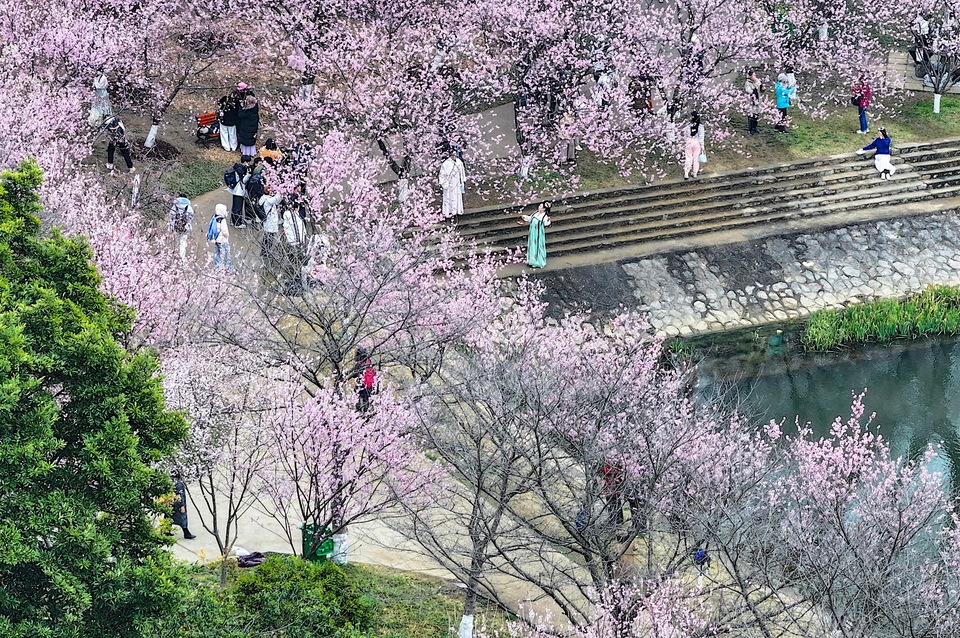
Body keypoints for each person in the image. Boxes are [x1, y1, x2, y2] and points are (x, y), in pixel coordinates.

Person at [517, 201, 552, 268]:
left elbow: (546, 223)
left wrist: (548, 220)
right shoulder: (536, 213)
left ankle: (539, 262)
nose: (539, 207)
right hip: (532, 232)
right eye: (539, 206)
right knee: (532, 245)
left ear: (544, 209)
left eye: (541, 207)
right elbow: (530, 219)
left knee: (538, 246)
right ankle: (531, 260)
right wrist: (524, 217)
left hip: (538, 234)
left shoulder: (544, 216)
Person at [226, 155, 253, 228]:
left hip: (235, 190)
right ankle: (237, 223)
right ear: (245, 162)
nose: (250, 163)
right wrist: (248, 175)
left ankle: (233, 221)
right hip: (239, 191)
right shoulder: (241, 169)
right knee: (237, 207)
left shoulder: (238, 167)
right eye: (249, 161)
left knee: (235, 206)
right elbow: (243, 180)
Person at [259, 186, 283, 263]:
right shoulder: (268, 200)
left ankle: (264, 252)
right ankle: (265, 253)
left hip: (268, 222)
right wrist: (281, 190)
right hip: (270, 223)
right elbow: (277, 199)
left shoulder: (263, 199)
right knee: (269, 239)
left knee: (267, 239)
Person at [438, 148, 466, 216]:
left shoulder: (459, 162)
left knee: (457, 195)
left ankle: (458, 210)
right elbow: (443, 173)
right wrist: (444, 182)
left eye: (455, 155)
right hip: (450, 182)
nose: (454, 156)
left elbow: (462, 172)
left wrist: (462, 180)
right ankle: (449, 211)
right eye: (452, 155)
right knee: (449, 196)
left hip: (457, 182)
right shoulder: (446, 163)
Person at [207, 203, 234, 271]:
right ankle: (229, 269)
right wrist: (227, 235)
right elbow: (225, 231)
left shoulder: (214, 218)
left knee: (217, 253)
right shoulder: (222, 220)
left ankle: (217, 267)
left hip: (216, 240)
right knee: (226, 254)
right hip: (223, 240)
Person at [168, 194, 194, 260]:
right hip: (185, 227)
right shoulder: (188, 207)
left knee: (177, 242)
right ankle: (182, 257)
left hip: (176, 227)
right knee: (183, 242)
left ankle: (176, 256)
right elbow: (191, 216)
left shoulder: (175, 206)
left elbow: (171, 215)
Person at [171, 476, 197, 540]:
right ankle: (186, 532)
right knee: (182, 518)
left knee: (170, 516)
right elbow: (179, 495)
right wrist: (182, 505)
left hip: (172, 503)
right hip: (178, 505)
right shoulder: (179, 484)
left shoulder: (172, 482)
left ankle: (166, 530)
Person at [218, 87, 242, 152]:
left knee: (224, 134)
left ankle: (226, 147)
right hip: (232, 121)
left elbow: (219, 104)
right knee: (232, 134)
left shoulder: (225, 99)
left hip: (224, 120)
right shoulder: (237, 102)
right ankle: (233, 146)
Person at [237, 93, 260, 158]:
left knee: (246, 140)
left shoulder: (248, 111)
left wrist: (241, 108)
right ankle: (251, 152)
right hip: (253, 127)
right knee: (251, 139)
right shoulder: (255, 109)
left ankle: (246, 152)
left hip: (246, 127)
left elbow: (240, 115)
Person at [683, 113, 705, 180]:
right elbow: (701, 137)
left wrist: (686, 141)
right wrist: (702, 146)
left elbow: (685, 135)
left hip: (689, 142)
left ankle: (686, 172)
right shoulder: (700, 126)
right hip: (697, 142)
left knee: (688, 157)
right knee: (696, 158)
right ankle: (694, 172)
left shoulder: (688, 126)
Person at [745, 69, 762, 135]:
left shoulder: (757, 81)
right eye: (753, 75)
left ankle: (755, 127)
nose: (755, 77)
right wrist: (755, 88)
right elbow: (749, 91)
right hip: (751, 101)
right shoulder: (748, 83)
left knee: (756, 114)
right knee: (751, 114)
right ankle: (751, 128)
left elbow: (761, 88)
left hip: (757, 100)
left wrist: (761, 87)